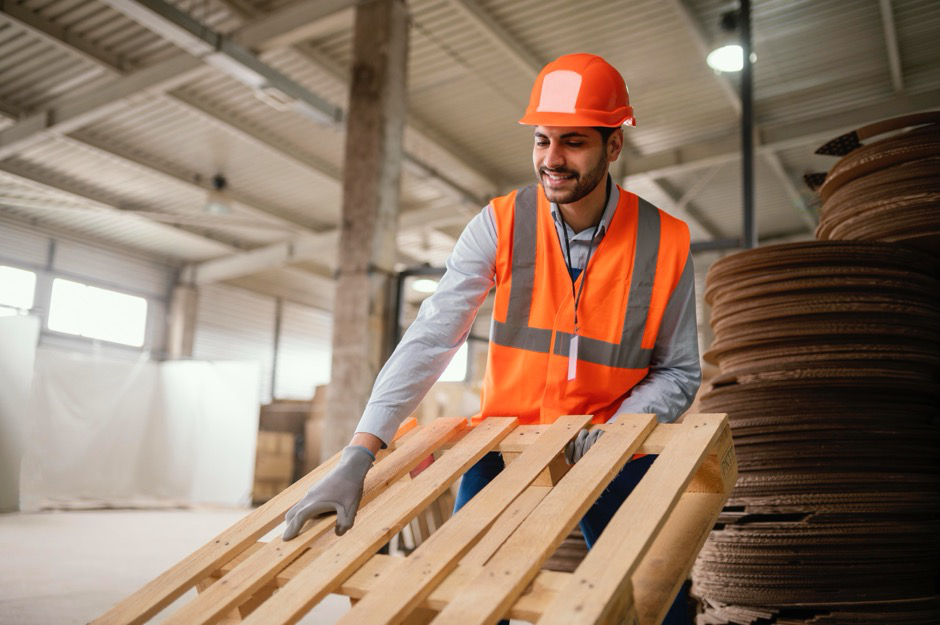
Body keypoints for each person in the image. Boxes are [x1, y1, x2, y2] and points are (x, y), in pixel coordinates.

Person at [283, 53, 701, 624]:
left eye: (573, 141)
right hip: (506, 442)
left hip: (614, 440)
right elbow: (431, 337)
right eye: (541, 140)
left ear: (614, 146)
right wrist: (362, 449)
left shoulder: (666, 239)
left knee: (660, 598)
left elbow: (678, 371)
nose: (551, 160)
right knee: (470, 601)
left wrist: (616, 431)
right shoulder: (501, 222)